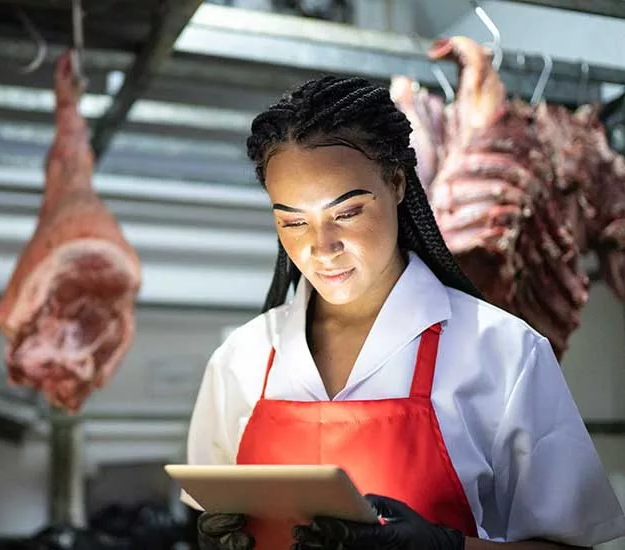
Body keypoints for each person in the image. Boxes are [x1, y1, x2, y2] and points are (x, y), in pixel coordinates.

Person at [183, 73, 625, 550]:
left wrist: (446, 548)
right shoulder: (242, 359)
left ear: (396, 183)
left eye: (347, 213)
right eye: (293, 222)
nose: (322, 247)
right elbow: (211, 515)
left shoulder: (501, 352)